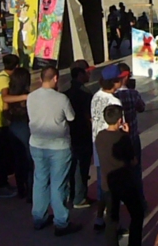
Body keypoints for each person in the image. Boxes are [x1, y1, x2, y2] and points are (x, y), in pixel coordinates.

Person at [27, 66, 81, 236]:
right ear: (56, 78)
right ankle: (61, 222)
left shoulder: (31, 97)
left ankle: (39, 217)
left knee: (40, 180)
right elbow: (71, 117)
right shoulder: (61, 98)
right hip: (58, 146)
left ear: (41, 78)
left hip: (37, 144)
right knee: (58, 184)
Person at [96, 104, 144, 246]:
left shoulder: (100, 136)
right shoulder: (122, 138)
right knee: (137, 214)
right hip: (125, 183)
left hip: (108, 184)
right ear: (120, 120)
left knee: (112, 219)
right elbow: (133, 160)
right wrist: (127, 135)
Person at [91, 64, 125, 232]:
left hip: (98, 143)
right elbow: (120, 125)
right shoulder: (115, 102)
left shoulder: (96, 96)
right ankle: (113, 222)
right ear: (114, 82)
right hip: (112, 146)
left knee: (102, 183)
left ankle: (99, 218)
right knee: (114, 186)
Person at [0, 54, 27, 198]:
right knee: (4, 154)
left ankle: (4, 182)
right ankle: (1, 185)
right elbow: (5, 98)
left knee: (4, 152)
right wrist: (25, 97)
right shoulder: (4, 80)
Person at [115, 63, 147, 211]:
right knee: (135, 170)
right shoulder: (132, 94)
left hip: (117, 140)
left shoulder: (113, 95)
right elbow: (141, 107)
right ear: (126, 77)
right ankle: (140, 201)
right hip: (132, 137)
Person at [64, 60, 94, 209]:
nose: (90, 74)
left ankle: (71, 193)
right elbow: (89, 116)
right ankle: (80, 197)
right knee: (82, 167)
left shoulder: (66, 93)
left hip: (69, 134)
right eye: (87, 72)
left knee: (72, 165)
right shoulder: (86, 94)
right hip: (83, 134)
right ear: (80, 74)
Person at [6, 67, 34, 201]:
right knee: (29, 159)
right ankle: (31, 191)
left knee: (18, 159)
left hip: (13, 125)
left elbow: (5, 109)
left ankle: (21, 189)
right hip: (24, 125)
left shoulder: (10, 93)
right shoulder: (26, 95)